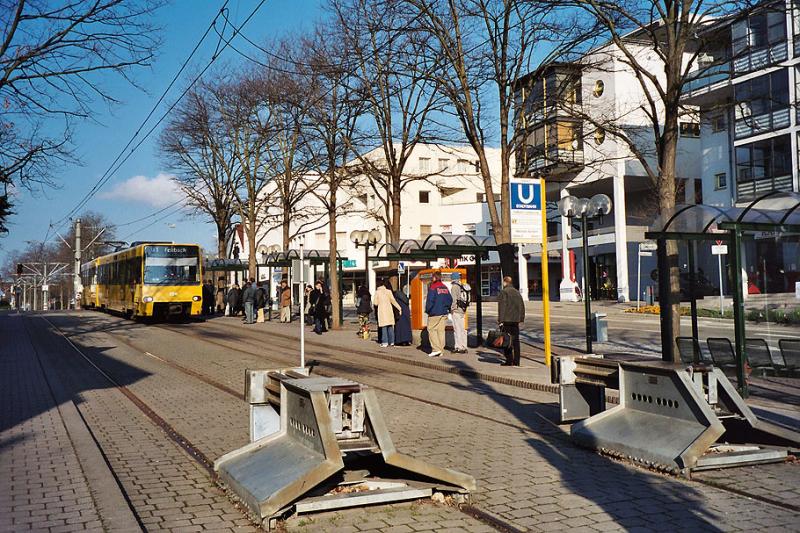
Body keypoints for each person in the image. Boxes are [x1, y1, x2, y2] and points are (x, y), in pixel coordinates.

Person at [497, 275, 525, 366]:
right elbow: (522, 306)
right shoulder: (517, 292)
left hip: (507, 320)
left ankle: (509, 360)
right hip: (515, 320)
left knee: (506, 340)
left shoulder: (504, 292)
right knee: (516, 341)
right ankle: (517, 361)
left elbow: (502, 307)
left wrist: (500, 320)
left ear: (505, 282)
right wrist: (521, 318)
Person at [425, 271, 452, 357]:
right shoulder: (445, 287)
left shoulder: (433, 287)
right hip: (444, 313)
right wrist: (446, 308)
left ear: (434, 278)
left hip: (434, 312)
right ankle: (441, 349)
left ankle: (436, 349)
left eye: (432, 277)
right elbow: (450, 300)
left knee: (431, 329)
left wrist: (428, 310)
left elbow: (430, 301)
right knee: (441, 331)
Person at [374, 278, 402, 347]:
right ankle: (392, 341)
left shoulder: (377, 292)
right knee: (390, 326)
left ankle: (385, 342)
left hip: (382, 312)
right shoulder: (389, 291)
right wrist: (399, 308)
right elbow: (393, 301)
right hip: (389, 311)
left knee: (384, 327)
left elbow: (375, 303)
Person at [449, 272, 470, 353]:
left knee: (457, 329)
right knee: (462, 329)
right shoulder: (462, 286)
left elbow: (454, 300)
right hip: (463, 310)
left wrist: (452, 309)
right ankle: (464, 346)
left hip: (457, 311)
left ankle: (458, 347)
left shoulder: (454, 287)